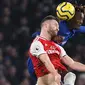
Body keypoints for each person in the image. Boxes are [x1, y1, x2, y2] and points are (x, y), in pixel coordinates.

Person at [27, 4, 85, 82]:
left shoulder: (74, 28)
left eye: (82, 19)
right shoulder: (60, 27)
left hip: (52, 60)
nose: (81, 22)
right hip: (37, 62)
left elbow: (72, 64)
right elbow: (37, 34)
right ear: (70, 18)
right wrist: (51, 38)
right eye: (79, 19)